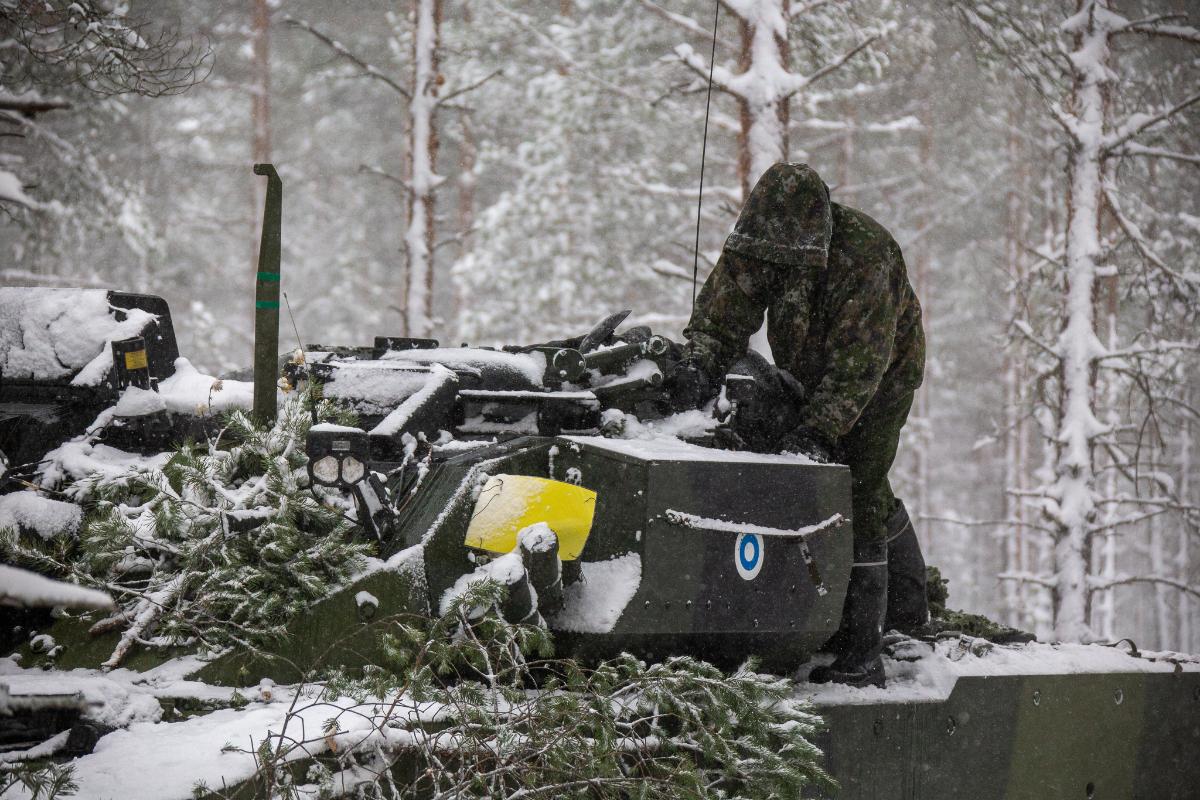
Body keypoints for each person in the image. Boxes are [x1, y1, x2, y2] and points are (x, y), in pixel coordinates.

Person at [669, 161, 929, 688]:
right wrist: (697, 367)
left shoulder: (865, 256)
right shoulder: (759, 240)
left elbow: (859, 368)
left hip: (882, 377)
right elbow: (721, 318)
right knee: (803, 464)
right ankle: (900, 612)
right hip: (807, 363)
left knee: (858, 485)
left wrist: (818, 433)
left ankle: (863, 653)